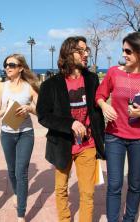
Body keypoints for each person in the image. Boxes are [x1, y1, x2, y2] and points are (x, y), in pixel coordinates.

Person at [96, 32, 140, 222]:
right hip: (114, 136)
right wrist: (104, 105)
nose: (124, 54)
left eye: (128, 51)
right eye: (123, 50)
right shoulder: (113, 72)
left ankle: (129, 219)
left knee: (135, 185)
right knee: (114, 185)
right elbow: (99, 95)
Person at [36, 36, 105, 222]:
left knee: (88, 192)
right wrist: (70, 123)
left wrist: (102, 139)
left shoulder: (91, 79)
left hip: (87, 145)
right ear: (68, 54)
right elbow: (43, 115)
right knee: (61, 189)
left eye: (86, 50)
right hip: (62, 145)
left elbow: (96, 111)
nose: (86, 54)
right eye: (81, 51)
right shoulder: (50, 84)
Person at [0, 54, 38, 222]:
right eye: (6, 64)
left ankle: (21, 214)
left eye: (12, 64)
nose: (7, 67)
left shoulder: (29, 87)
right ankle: (18, 192)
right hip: (7, 134)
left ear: (21, 68)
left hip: (26, 133)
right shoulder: (2, 87)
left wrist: (28, 108)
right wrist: (4, 111)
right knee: (11, 170)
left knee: (22, 172)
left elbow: (40, 110)